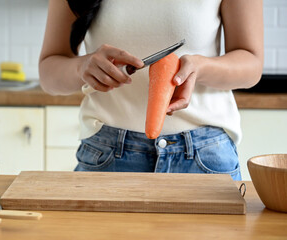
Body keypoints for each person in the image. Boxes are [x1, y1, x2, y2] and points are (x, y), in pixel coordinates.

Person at [39, 0, 263, 180]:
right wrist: (81, 67)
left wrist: (200, 68)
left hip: (204, 156)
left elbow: (251, 64)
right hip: (106, 155)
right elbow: (48, 73)